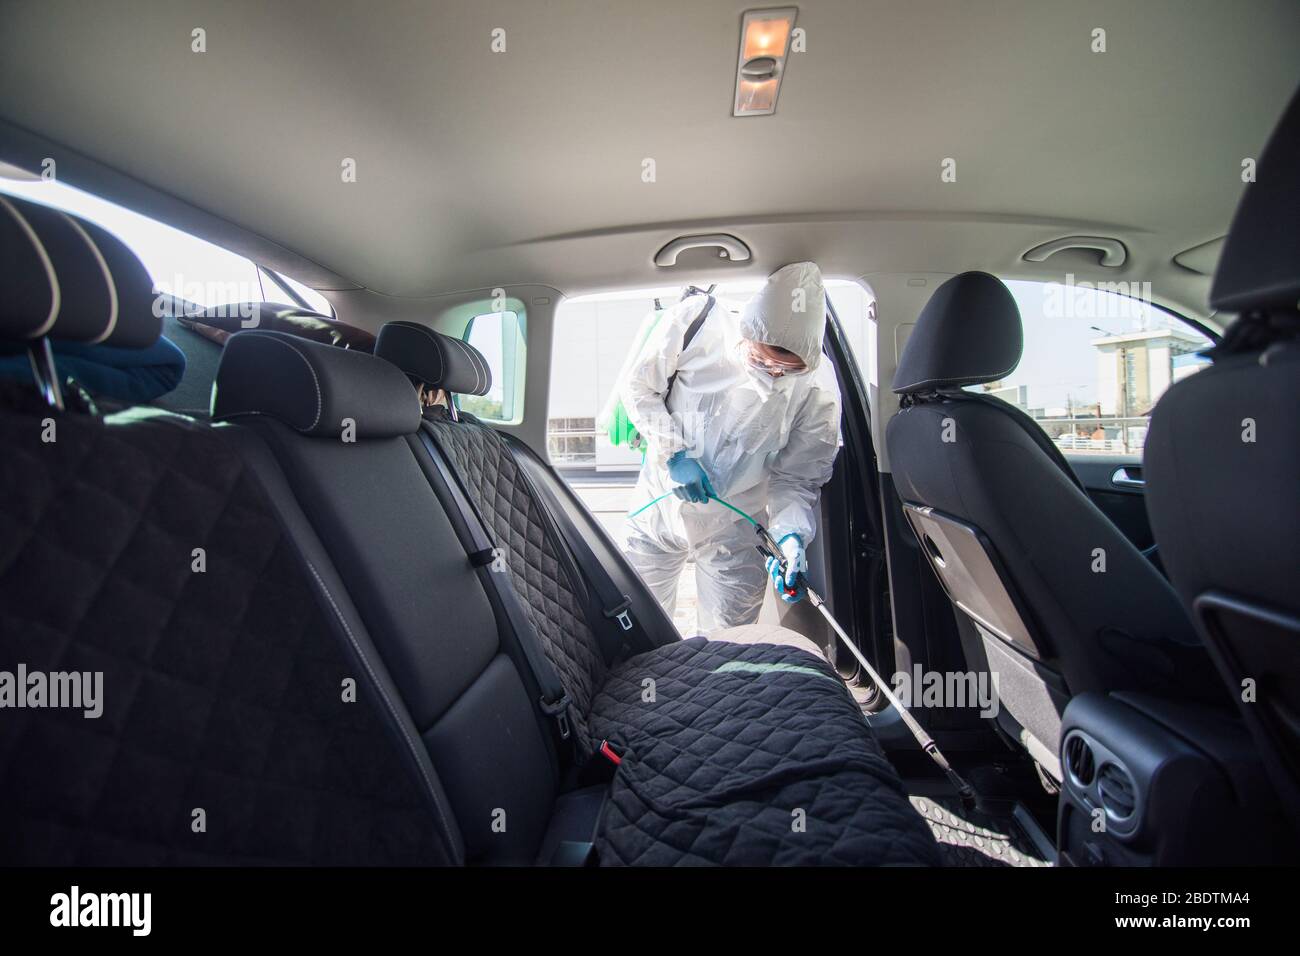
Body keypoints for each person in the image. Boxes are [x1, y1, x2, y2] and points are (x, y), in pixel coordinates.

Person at [621, 262, 842, 632]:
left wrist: (790, 536)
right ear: (748, 332)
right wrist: (674, 453)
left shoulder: (819, 393)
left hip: (735, 526)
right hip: (659, 505)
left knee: (727, 645)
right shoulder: (698, 323)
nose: (772, 374)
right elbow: (640, 388)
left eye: (786, 370)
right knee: (639, 629)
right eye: (763, 359)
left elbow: (797, 479)